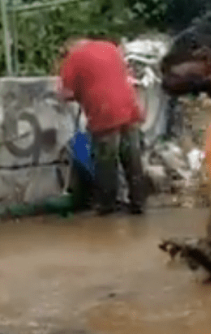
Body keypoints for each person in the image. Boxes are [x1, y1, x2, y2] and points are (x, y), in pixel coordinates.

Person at [58, 38, 147, 215]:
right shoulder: (110, 47)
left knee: (106, 161)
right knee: (132, 158)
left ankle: (106, 205)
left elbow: (65, 93)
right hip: (130, 106)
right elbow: (124, 74)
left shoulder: (73, 58)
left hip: (104, 111)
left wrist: (78, 93)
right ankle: (138, 202)